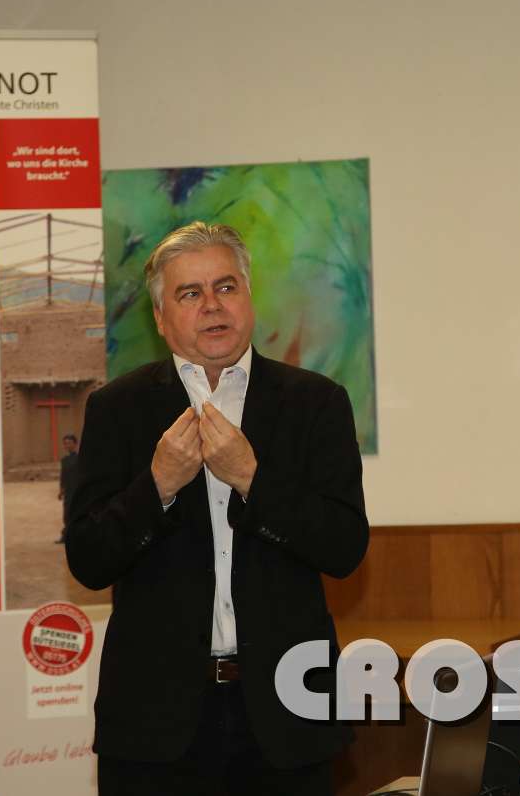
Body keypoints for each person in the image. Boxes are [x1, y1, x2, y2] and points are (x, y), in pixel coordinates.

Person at [64, 221, 368, 796]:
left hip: (288, 714)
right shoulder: (117, 409)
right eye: (190, 293)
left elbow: (344, 546)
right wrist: (157, 485)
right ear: (161, 318)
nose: (212, 305)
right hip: (155, 726)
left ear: (248, 298)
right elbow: (88, 558)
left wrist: (252, 478)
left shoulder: (315, 402)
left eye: (226, 287)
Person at [54, 433, 79, 544]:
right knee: (66, 514)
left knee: (76, 513)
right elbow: (63, 476)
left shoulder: (80, 458)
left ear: (75, 444)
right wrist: (61, 490)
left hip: (78, 490)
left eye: (69, 443)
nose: (67, 445)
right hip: (68, 491)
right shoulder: (64, 460)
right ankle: (66, 536)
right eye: (65, 443)